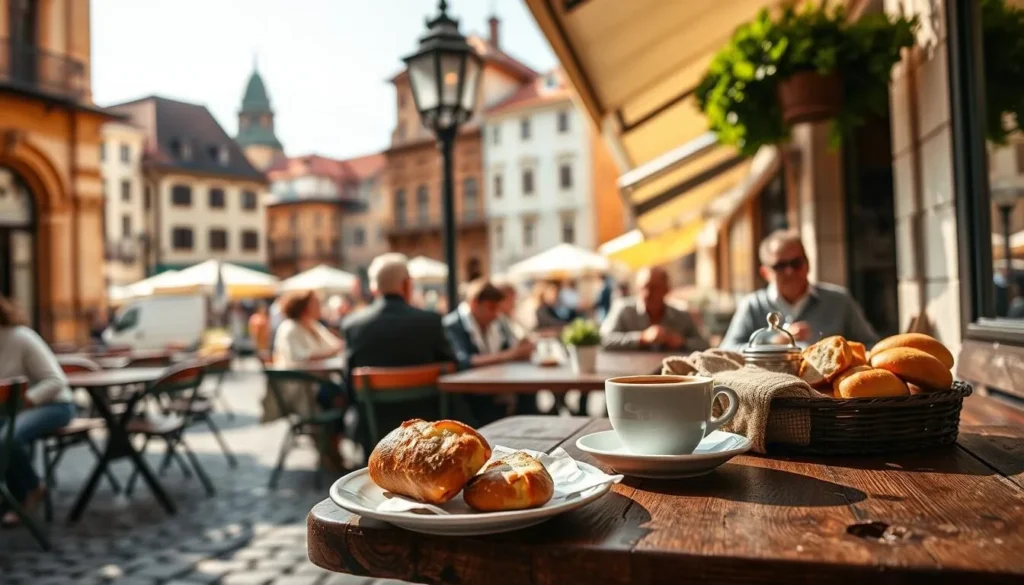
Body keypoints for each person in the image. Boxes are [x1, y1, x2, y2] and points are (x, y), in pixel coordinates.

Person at [343, 254, 459, 446]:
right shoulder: (430, 322)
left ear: (373, 287)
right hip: (427, 429)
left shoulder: (353, 325)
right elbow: (452, 367)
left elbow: (349, 384)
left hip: (375, 429)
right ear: (406, 284)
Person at [720, 229, 881, 349]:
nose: (789, 272)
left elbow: (870, 345)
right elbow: (727, 350)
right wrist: (774, 342)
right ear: (765, 272)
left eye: (796, 263)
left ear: (807, 264)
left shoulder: (839, 301)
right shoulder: (753, 305)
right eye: (780, 266)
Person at [0, 298, 75, 525]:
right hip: (11, 412)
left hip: (54, 405)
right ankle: (12, 497)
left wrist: (25, 402)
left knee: (6, 440)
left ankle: (31, 490)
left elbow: (55, 381)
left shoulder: (21, 337)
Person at [269, 290, 345, 469]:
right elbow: (302, 357)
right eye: (315, 303)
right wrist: (331, 352)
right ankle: (330, 447)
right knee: (338, 396)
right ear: (304, 307)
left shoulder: (314, 326)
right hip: (302, 389)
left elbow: (335, 347)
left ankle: (332, 446)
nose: (319, 306)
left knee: (342, 393)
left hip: (319, 384)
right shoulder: (290, 328)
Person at [443, 279, 535, 425]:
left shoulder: (495, 323)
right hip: (471, 399)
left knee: (529, 396)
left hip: (495, 391)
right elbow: (464, 362)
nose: (496, 314)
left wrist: (521, 350)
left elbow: (508, 349)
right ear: (474, 303)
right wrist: (512, 354)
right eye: (491, 308)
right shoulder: (452, 325)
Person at [601, 266, 710, 352]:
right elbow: (603, 339)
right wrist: (641, 338)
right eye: (643, 287)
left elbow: (704, 345)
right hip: (630, 375)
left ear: (666, 290)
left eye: (653, 288)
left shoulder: (682, 316)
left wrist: (682, 342)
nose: (647, 293)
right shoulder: (623, 309)